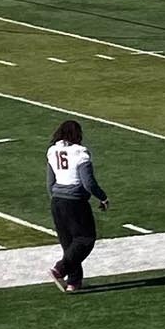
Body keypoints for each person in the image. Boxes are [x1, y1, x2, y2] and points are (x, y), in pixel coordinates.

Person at [46, 120, 109, 293]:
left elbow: (50, 182)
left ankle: (74, 282)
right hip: (74, 201)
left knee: (69, 244)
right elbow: (88, 182)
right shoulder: (80, 153)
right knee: (85, 239)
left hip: (57, 200)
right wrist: (102, 198)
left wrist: (56, 199)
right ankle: (60, 269)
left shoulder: (52, 151)